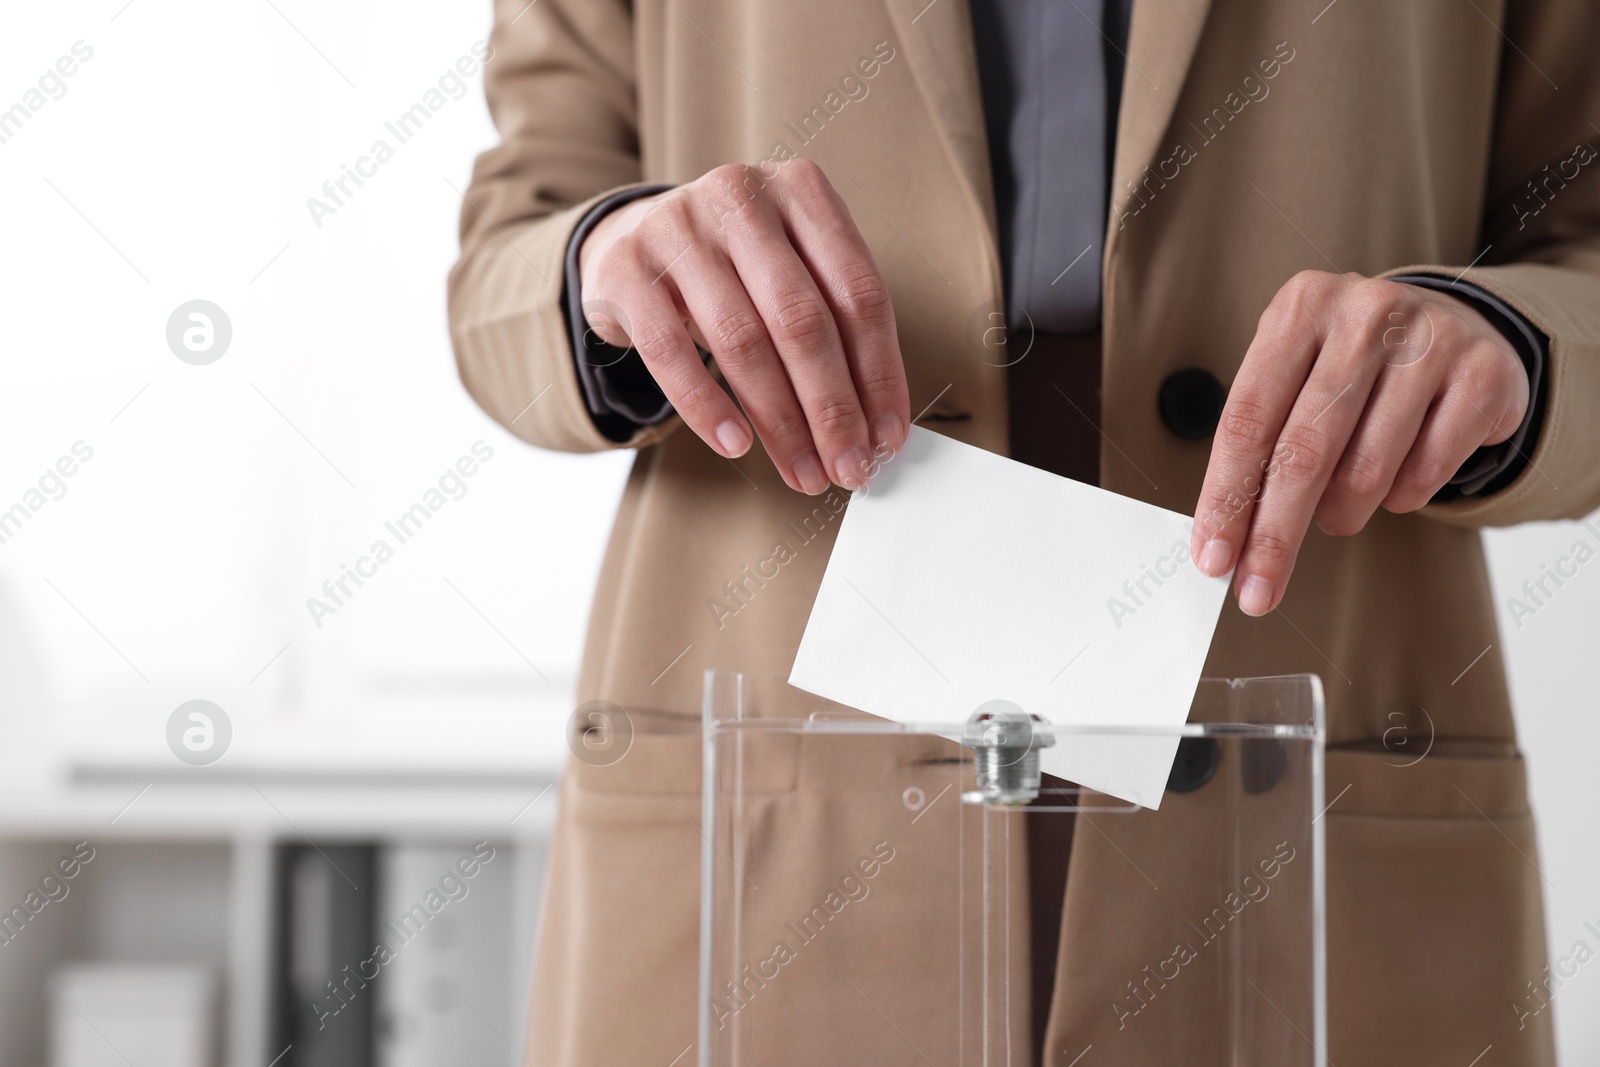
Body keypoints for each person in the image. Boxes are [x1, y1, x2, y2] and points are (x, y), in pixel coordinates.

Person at [448, 1, 1600, 1063]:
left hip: (1300, 699)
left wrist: (1511, 342)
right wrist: (614, 261)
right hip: (785, 721)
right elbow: (510, 247)